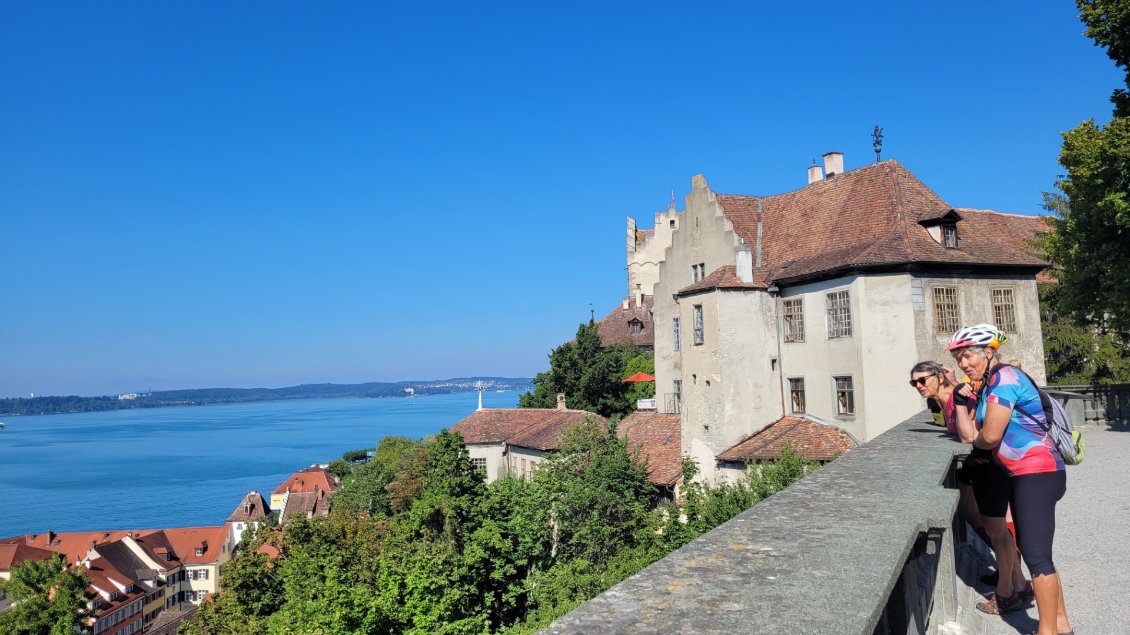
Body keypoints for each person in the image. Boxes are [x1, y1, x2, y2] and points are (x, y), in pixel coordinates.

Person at [948, 324, 1072, 635]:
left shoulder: (1005, 378)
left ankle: (1048, 632)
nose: (963, 365)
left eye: (966, 357)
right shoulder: (988, 385)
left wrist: (980, 440)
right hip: (1022, 474)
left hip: (1037, 472)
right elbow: (969, 435)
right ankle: (1060, 626)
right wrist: (962, 404)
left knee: (1036, 557)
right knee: (1040, 556)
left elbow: (988, 436)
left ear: (988, 352)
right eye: (958, 360)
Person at [909, 360, 1028, 614]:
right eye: (914, 382)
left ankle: (1012, 585)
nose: (918, 386)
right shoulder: (942, 401)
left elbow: (972, 431)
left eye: (923, 380)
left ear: (939, 376)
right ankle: (1015, 580)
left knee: (996, 528)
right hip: (976, 466)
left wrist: (957, 389)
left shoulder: (957, 398)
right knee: (972, 513)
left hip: (988, 465)